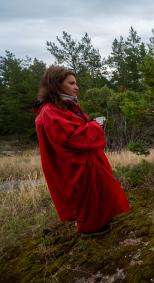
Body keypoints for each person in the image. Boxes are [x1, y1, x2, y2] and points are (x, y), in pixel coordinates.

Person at [34, 66, 129, 236]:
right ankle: (91, 228)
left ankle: (100, 221)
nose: (76, 87)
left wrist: (91, 124)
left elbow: (76, 129)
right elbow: (71, 138)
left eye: (75, 83)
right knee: (85, 197)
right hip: (74, 165)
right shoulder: (50, 111)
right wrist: (95, 125)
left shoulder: (65, 105)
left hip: (85, 161)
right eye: (71, 83)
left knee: (98, 192)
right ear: (56, 85)